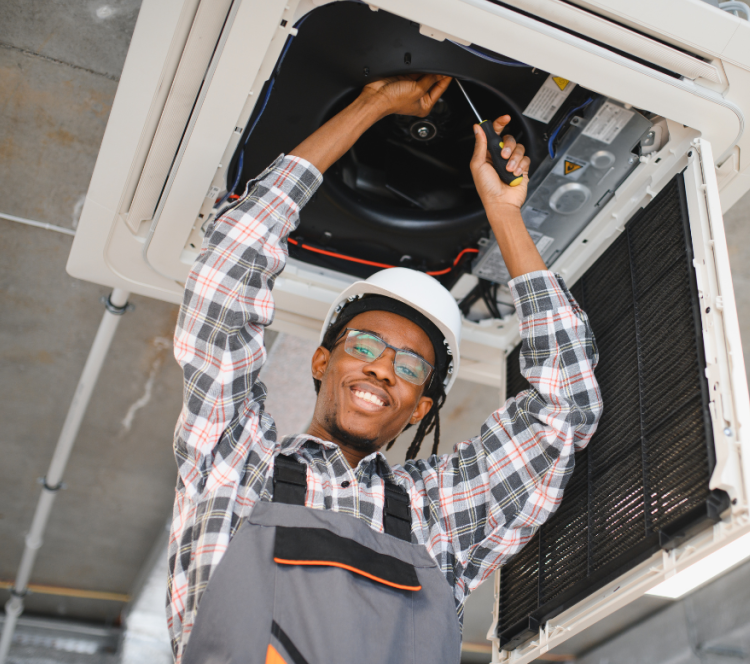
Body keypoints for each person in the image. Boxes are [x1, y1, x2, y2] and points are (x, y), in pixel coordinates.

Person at [167, 73, 602, 663]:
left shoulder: (437, 519)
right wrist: (371, 106)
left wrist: (505, 216)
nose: (381, 370)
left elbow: (564, 409)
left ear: (421, 406)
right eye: (365, 346)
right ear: (323, 361)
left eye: (409, 365)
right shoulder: (234, 464)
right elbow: (225, 278)